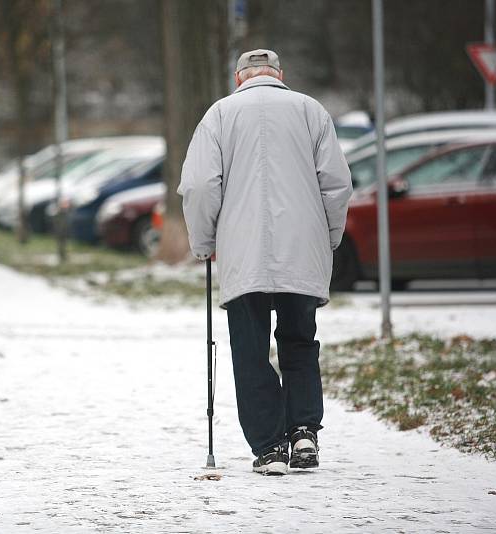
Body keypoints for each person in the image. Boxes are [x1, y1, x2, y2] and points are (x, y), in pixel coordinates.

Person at [178, 50, 352, 475]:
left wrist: (203, 242)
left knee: (250, 350)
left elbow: (201, 185)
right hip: (301, 248)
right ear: (280, 76)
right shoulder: (312, 111)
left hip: (242, 251)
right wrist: (329, 237)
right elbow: (337, 184)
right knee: (299, 342)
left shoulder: (219, 115)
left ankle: (270, 447)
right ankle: (305, 431)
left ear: (238, 78)